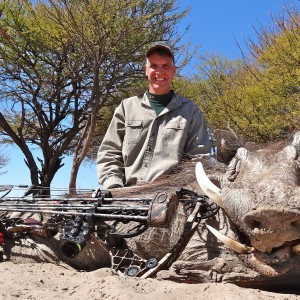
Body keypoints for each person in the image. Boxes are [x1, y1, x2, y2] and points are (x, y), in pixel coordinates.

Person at [97, 44, 210, 189]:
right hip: (126, 196)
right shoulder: (126, 107)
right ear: (146, 70)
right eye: (154, 65)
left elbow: (198, 159)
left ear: (173, 71)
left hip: (171, 198)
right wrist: (114, 186)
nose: (159, 71)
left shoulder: (191, 111)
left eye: (165, 66)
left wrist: (181, 192)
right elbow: (109, 151)